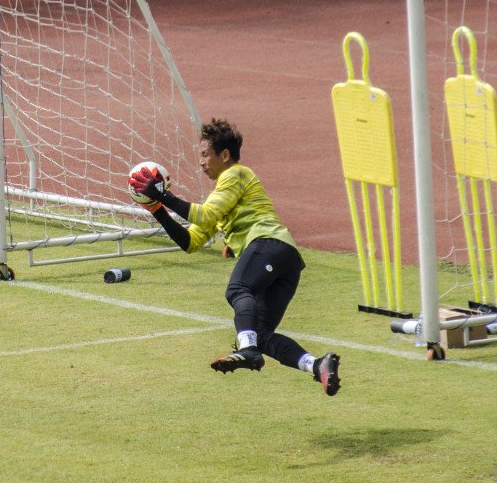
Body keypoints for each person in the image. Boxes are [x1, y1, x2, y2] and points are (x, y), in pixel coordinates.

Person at [128, 118, 341, 396]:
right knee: (263, 334)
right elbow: (190, 242)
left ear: (225, 155)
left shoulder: (235, 174)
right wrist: (157, 208)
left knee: (239, 289)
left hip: (268, 244)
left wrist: (164, 196)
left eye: (205, 154)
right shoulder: (221, 193)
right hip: (285, 261)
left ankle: (248, 350)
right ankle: (317, 366)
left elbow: (204, 215)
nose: (201, 162)